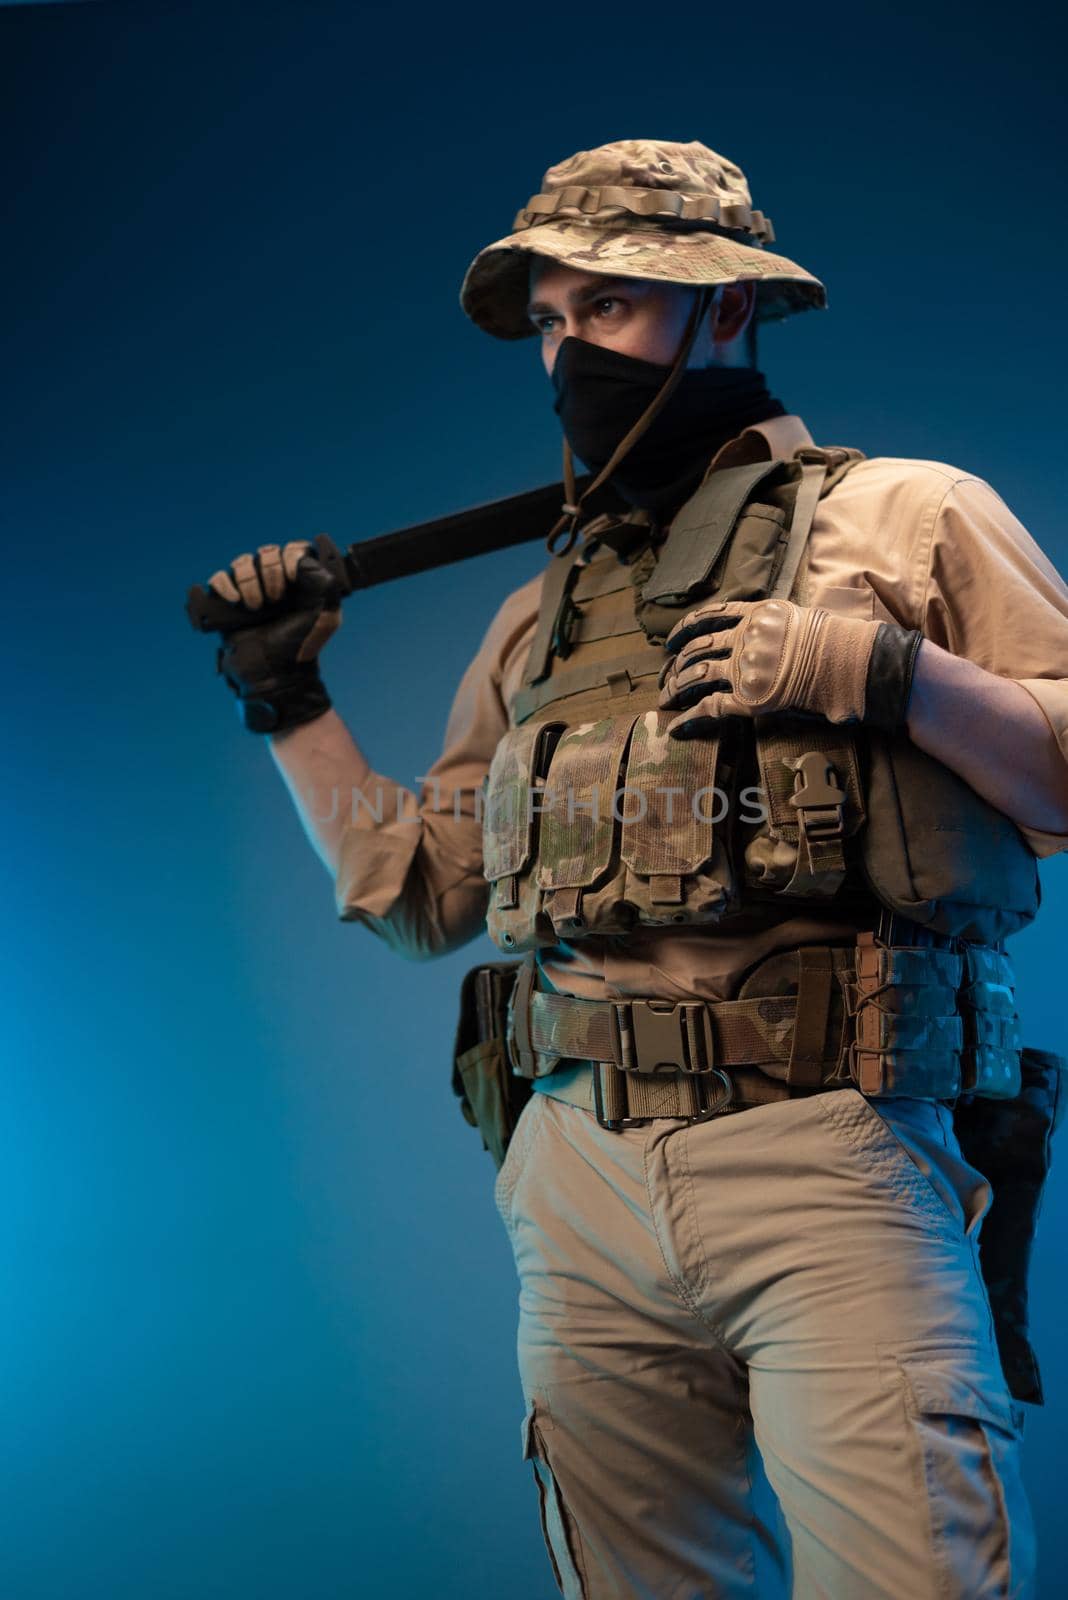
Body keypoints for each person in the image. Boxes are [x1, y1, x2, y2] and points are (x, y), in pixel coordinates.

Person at [199, 139, 1068, 1598]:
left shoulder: (910, 519)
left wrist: (890, 674)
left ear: (723, 310)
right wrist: (291, 708)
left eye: (604, 308)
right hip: (577, 1175)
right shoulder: (542, 613)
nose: (565, 353)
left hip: (828, 1153)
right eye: (550, 319)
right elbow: (421, 894)